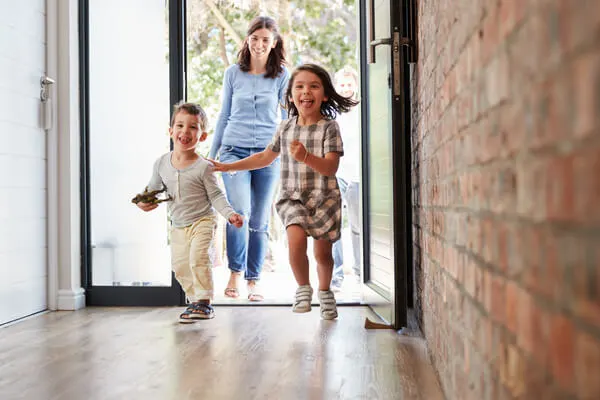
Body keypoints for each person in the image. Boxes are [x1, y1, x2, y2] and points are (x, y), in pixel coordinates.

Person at [211, 64, 359, 320]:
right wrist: (228, 165)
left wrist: (306, 157)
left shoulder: (329, 127)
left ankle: (325, 293)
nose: (306, 91)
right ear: (290, 96)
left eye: (314, 86)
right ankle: (303, 288)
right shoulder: (285, 128)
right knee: (296, 241)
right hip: (293, 198)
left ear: (324, 94)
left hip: (324, 198)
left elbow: (331, 166)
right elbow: (264, 157)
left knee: (322, 254)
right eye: (299, 86)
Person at [136, 102, 244, 323]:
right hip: (177, 224)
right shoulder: (161, 163)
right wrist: (144, 201)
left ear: (202, 136)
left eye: (193, 127)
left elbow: (216, 196)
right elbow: (152, 190)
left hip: (202, 220)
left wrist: (230, 214)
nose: (185, 131)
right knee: (180, 265)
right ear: (170, 131)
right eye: (180, 125)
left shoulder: (204, 167)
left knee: (198, 258)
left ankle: (204, 302)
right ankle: (194, 300)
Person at [208, 16, 290, 302]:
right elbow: (223, 114)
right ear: (247, 40)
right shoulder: (233, 73)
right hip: (233, 151)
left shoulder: (282, 75)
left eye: (265, 40)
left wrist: (287, 154)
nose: (259, 44)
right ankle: (234, 272)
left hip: (268, 154)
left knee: (259, 218)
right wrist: (211, 155)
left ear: (274, 43)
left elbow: (286, 118)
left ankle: (253, 279)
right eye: (254, 38)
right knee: (238, 212)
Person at [331, 67, 362, 291]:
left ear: (356, 86)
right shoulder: (332, 114)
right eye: (341, 85)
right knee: (334, 227)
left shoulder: (363, 110)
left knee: (357, 226)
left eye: (349, 84)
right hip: (336, 174)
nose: (345, 88)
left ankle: (362, 273)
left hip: (357, 175)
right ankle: (336, 276)